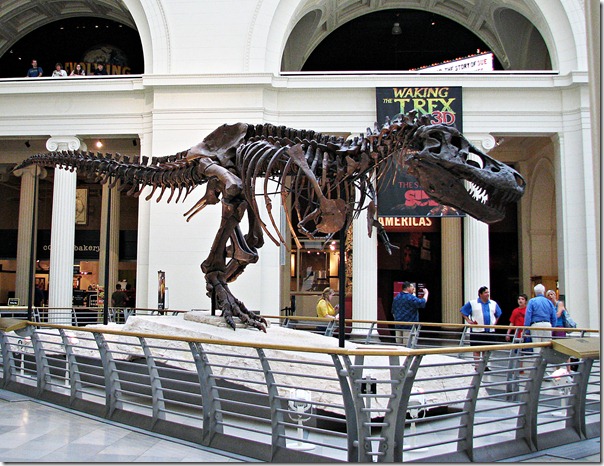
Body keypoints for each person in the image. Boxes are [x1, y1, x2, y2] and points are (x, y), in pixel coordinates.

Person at [460, 286, 502, 371]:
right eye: (485, 292)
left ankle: (484, 365)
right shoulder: (472, 303)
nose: (487, 294)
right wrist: (468, 320)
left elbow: (499, 313)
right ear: (480, 294)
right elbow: (463, 310)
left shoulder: (493, 303)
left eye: (488, 292)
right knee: (476, 349)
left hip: (489, 330)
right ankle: (477, 366)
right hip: (477, 330)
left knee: (486, 349)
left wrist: (495, 322)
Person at [392, 281, 428, 346]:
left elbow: (393, 312)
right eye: (412, 287)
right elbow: (422, 302)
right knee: (408, 346)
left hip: (398, 326)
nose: (413, 288)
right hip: (409, 326)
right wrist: (426, 293)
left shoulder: (396, 298)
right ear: (408, 288)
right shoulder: (410, 298)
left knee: (399, 346)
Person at [523, 284, 557, 353]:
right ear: (543, 292)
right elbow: (554, 317)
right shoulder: (549, 302)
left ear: (535, 292)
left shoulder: (532, 301)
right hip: (547, 325)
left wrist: (526, 329)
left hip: (536, 325)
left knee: (537, 348)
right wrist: (553, 327)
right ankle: (545, 360)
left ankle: (537, 359)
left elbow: (528, 316)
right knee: (547, 348)